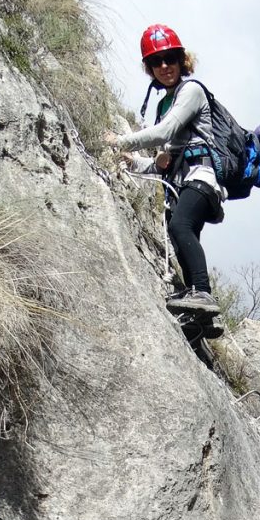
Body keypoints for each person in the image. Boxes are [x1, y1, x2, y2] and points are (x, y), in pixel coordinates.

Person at [105, 25, 223, 317]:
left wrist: (122, 139)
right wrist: (135, 163)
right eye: (156, 62)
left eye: (169, 58)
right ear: (149, 68)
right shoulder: (165, 104)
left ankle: (203, 293)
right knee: (180, 240)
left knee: (179, 227)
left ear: (181, 60)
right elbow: (164, 165)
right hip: (181, 184)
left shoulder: (192, 91)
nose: (164, 66)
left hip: (201, 179)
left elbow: (166, 131)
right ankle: (202, 321)